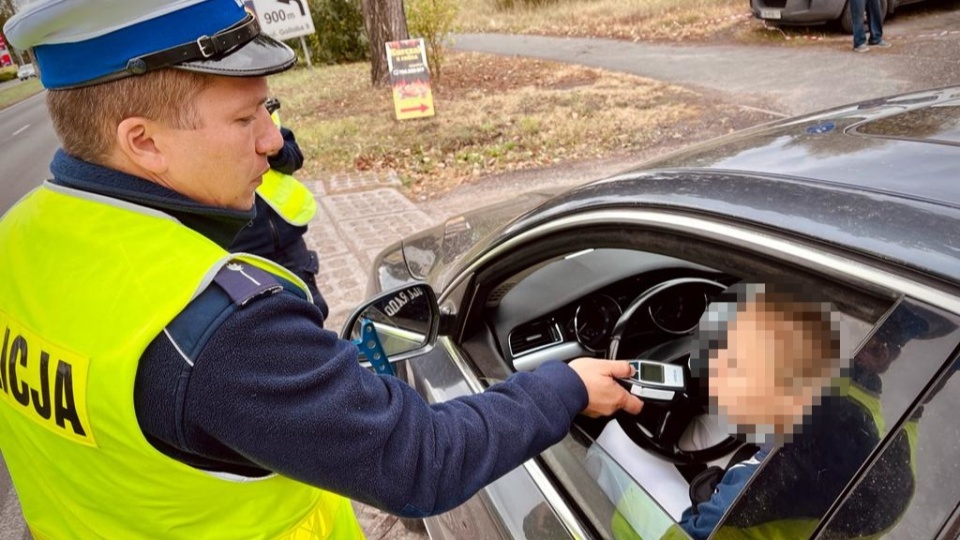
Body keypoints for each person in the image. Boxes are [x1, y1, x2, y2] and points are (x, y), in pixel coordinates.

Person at [0, 1, 642, 539]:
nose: (274, 141)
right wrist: (568, 388)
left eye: (268, 110)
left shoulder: (21, 235)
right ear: (142, 141)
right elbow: (422, 463)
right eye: (244, 118)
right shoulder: (220, 328)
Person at [586, 282, 844, 540]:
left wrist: (712, 499)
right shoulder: (849, 418)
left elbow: (696, 531)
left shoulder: (746, 490)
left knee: (617, 437)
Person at [229, 97, 329, 317]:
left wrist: (276, 152)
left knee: (313, 308)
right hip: (245, 251)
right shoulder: (215, 128)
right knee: (269, 321)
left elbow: (294, 159)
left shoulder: (267, 116)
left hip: (289, 239)